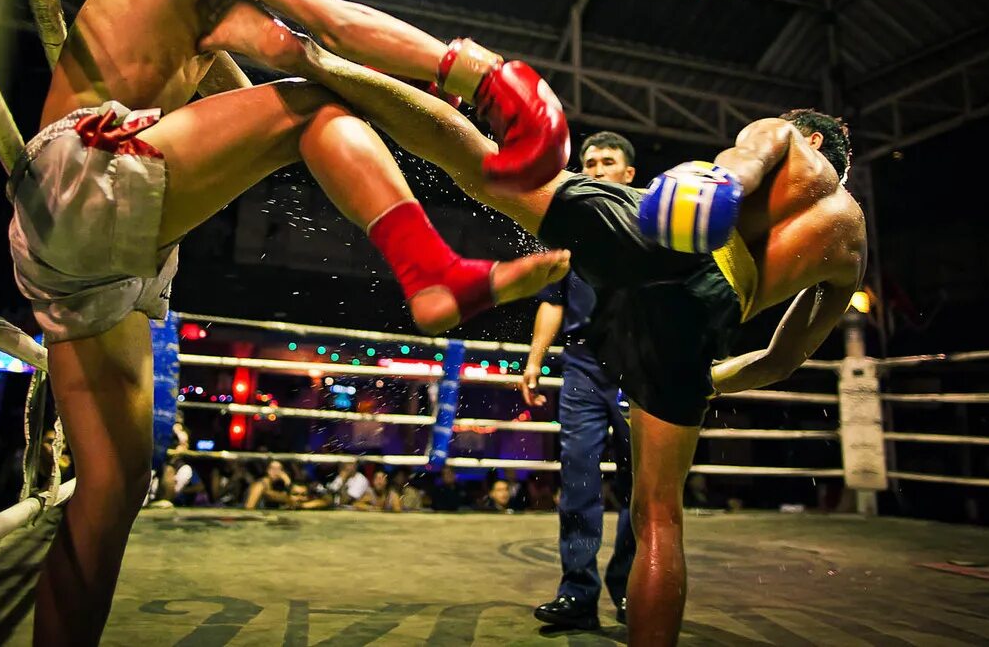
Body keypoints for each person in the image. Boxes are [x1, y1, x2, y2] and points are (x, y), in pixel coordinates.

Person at [13, 0, 570, 645]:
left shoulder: (191, 7)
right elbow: (334, 27)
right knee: (312, 110)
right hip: (86, 176)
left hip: (76, 241)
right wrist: (480, 73)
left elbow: (305, 65)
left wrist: (451, 146)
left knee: (112, 491)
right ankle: (430, 269)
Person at [277, 51, 866, 646]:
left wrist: (713, 189)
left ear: (814, 137)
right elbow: (781, 360)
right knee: (660, 517)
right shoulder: (851, 252)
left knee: (480, 163)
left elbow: (743, 162)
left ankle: (320, 63)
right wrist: (709, 381)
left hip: (672, 234)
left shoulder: (788, 138)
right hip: (705, 314)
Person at [521, 131, 637, 631]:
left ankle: (631, 586)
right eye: (588, 163)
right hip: (583, 365)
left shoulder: (654, 224)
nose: (596, 169)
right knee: (578, 479)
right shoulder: (570, 233)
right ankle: (577, 593)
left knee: (642, 483)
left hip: (641, 366)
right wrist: (535, 360)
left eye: (607, 162)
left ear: (628, 174)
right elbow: (553, 300)